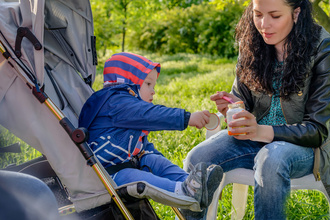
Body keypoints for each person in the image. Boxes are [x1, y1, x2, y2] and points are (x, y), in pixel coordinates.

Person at [184, 0, 330, 219]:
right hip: (255, 139)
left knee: (270, 160)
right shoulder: (252, 42)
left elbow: (318, 130)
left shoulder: (322, 48)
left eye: (274, 16)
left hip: (304, 147)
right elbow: (243, 100)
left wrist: (262, 131)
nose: (264, 25)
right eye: (258, 14)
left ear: (296, 13)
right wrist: (233, 108)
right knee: (198, 157)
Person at [78, 52, 223, 211]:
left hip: (131, 162)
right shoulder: (115, 101)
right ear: (129, 82)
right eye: (148, 84)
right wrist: (187, 118)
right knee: (135, 178)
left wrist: (155, 158)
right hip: (108, 175)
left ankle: (198, 186)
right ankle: (183, 191)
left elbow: (142, 145)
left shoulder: (127, 109)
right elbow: (151, 114)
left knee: (155, 160)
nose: (153, 91)